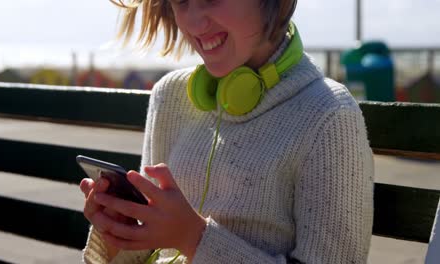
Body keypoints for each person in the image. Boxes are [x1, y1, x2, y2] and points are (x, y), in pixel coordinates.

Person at [79, 0, 374, 263]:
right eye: (181, 1)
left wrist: (195, 239)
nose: (194, 22)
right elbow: (148, 250)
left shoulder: (329, 116)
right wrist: (119, 231)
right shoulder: (170, 96)